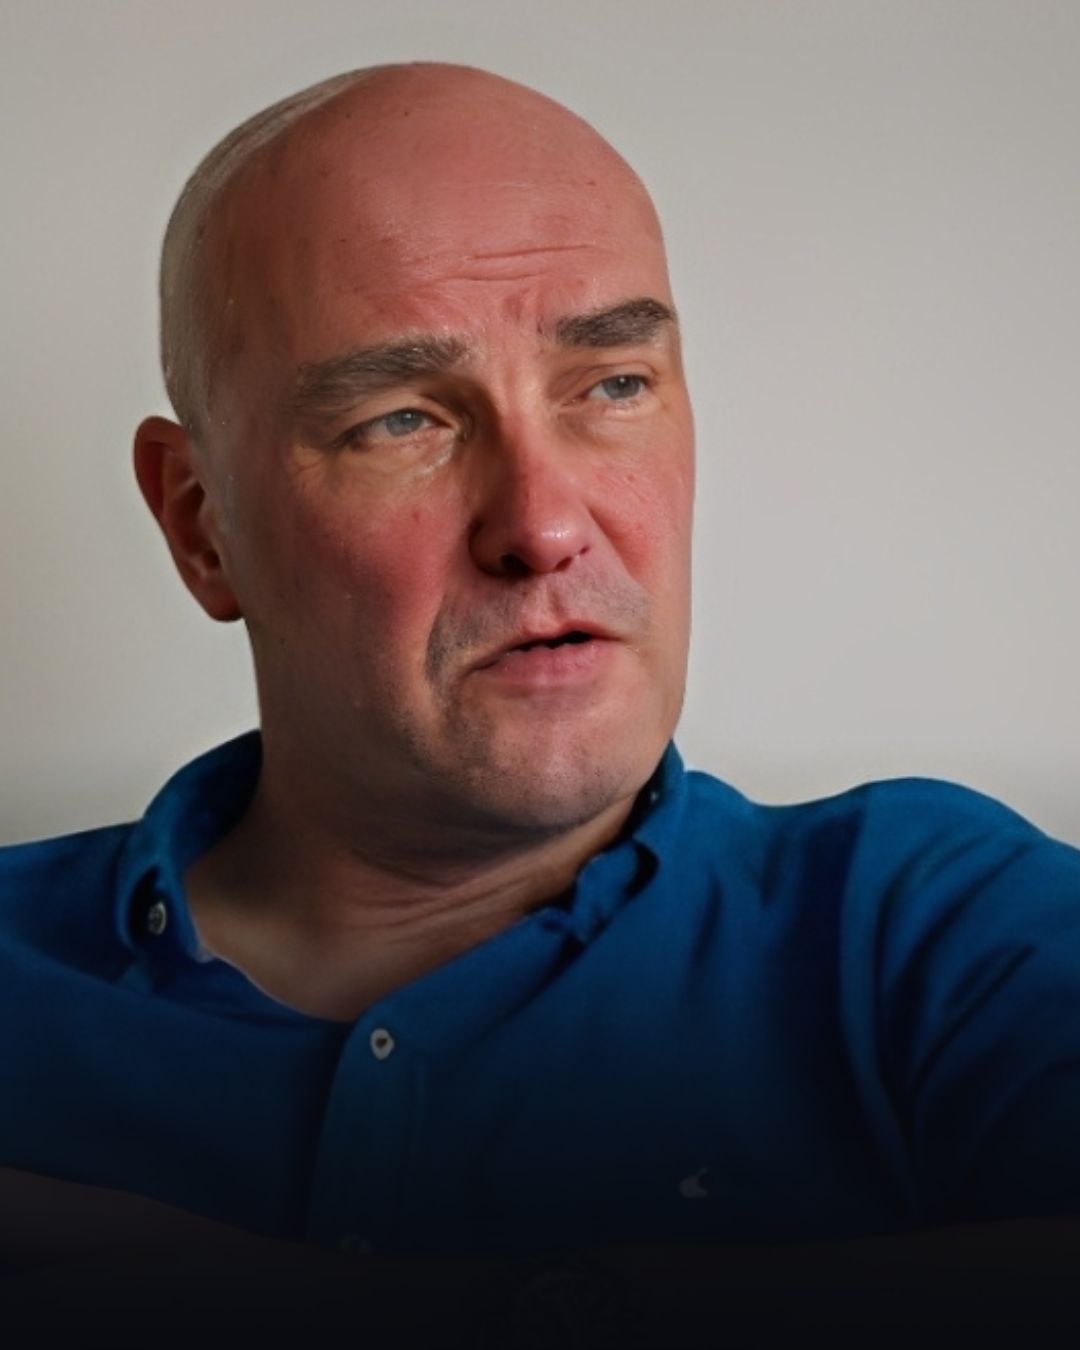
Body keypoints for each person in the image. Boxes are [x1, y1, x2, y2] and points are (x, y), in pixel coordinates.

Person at [3, 61, 1080, 1344]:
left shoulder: (944, 936)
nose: (546, 524)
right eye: (402, 419)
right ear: (202, 525)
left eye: (612, 385)